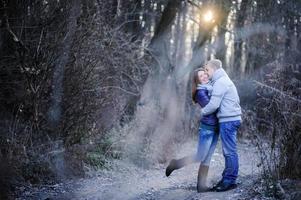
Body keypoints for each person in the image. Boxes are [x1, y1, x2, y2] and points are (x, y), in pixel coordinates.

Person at [165, 68, 219, 192]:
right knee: (200, 156)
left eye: (205, 74)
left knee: (207, 157)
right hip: (207, 129)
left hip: (216, 128)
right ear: (197, 80)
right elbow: (211, 106)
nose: (204, 76)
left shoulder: (209, 88)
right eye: (201, 76)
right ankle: (175, 164)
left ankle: (201, 185)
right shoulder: (200, 92)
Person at [201, 59, 242, 192]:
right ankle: (228, 178)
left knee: (229, 152)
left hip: (228, 120)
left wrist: (202, 112)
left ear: (214, 69)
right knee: (229, 151)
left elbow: (213, 105)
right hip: (229, 119)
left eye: (207, 70)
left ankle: (229, 181)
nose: (206, 73)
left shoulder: (221, 82)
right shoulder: (222, 80)